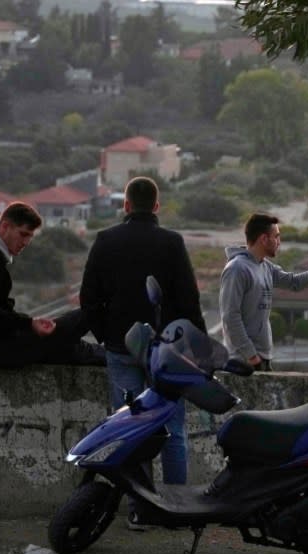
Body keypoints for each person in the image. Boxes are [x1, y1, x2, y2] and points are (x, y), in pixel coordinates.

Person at [80, 176, 205, 492]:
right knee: (173, 429)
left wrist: (105, 335)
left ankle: (139, 506)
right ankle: (176, 503)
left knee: (130, 429)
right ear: (157, 206)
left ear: (126, 205)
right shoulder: (172, 242)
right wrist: (197, 346)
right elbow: (189, 299)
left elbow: (88, 298)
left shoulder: (106, 240)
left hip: (121, 348)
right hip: (166, 352)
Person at [0, 202, 104, 369]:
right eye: (23, 234)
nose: (26, 242)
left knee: (69, 341)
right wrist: (28, 324)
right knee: (81, 319)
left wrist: (27, 325)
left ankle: (111, 351)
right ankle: (118, 352)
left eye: (30, 237)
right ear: (5, 226)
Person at [219, 213, 308, 371]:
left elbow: (293, 283)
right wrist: (251, 356)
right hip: (243, 361)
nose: (279, 242)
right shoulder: (236, 269)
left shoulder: (265, 266)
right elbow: (230, 317)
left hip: (261, 358)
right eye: (276, 237)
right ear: (264, 239)